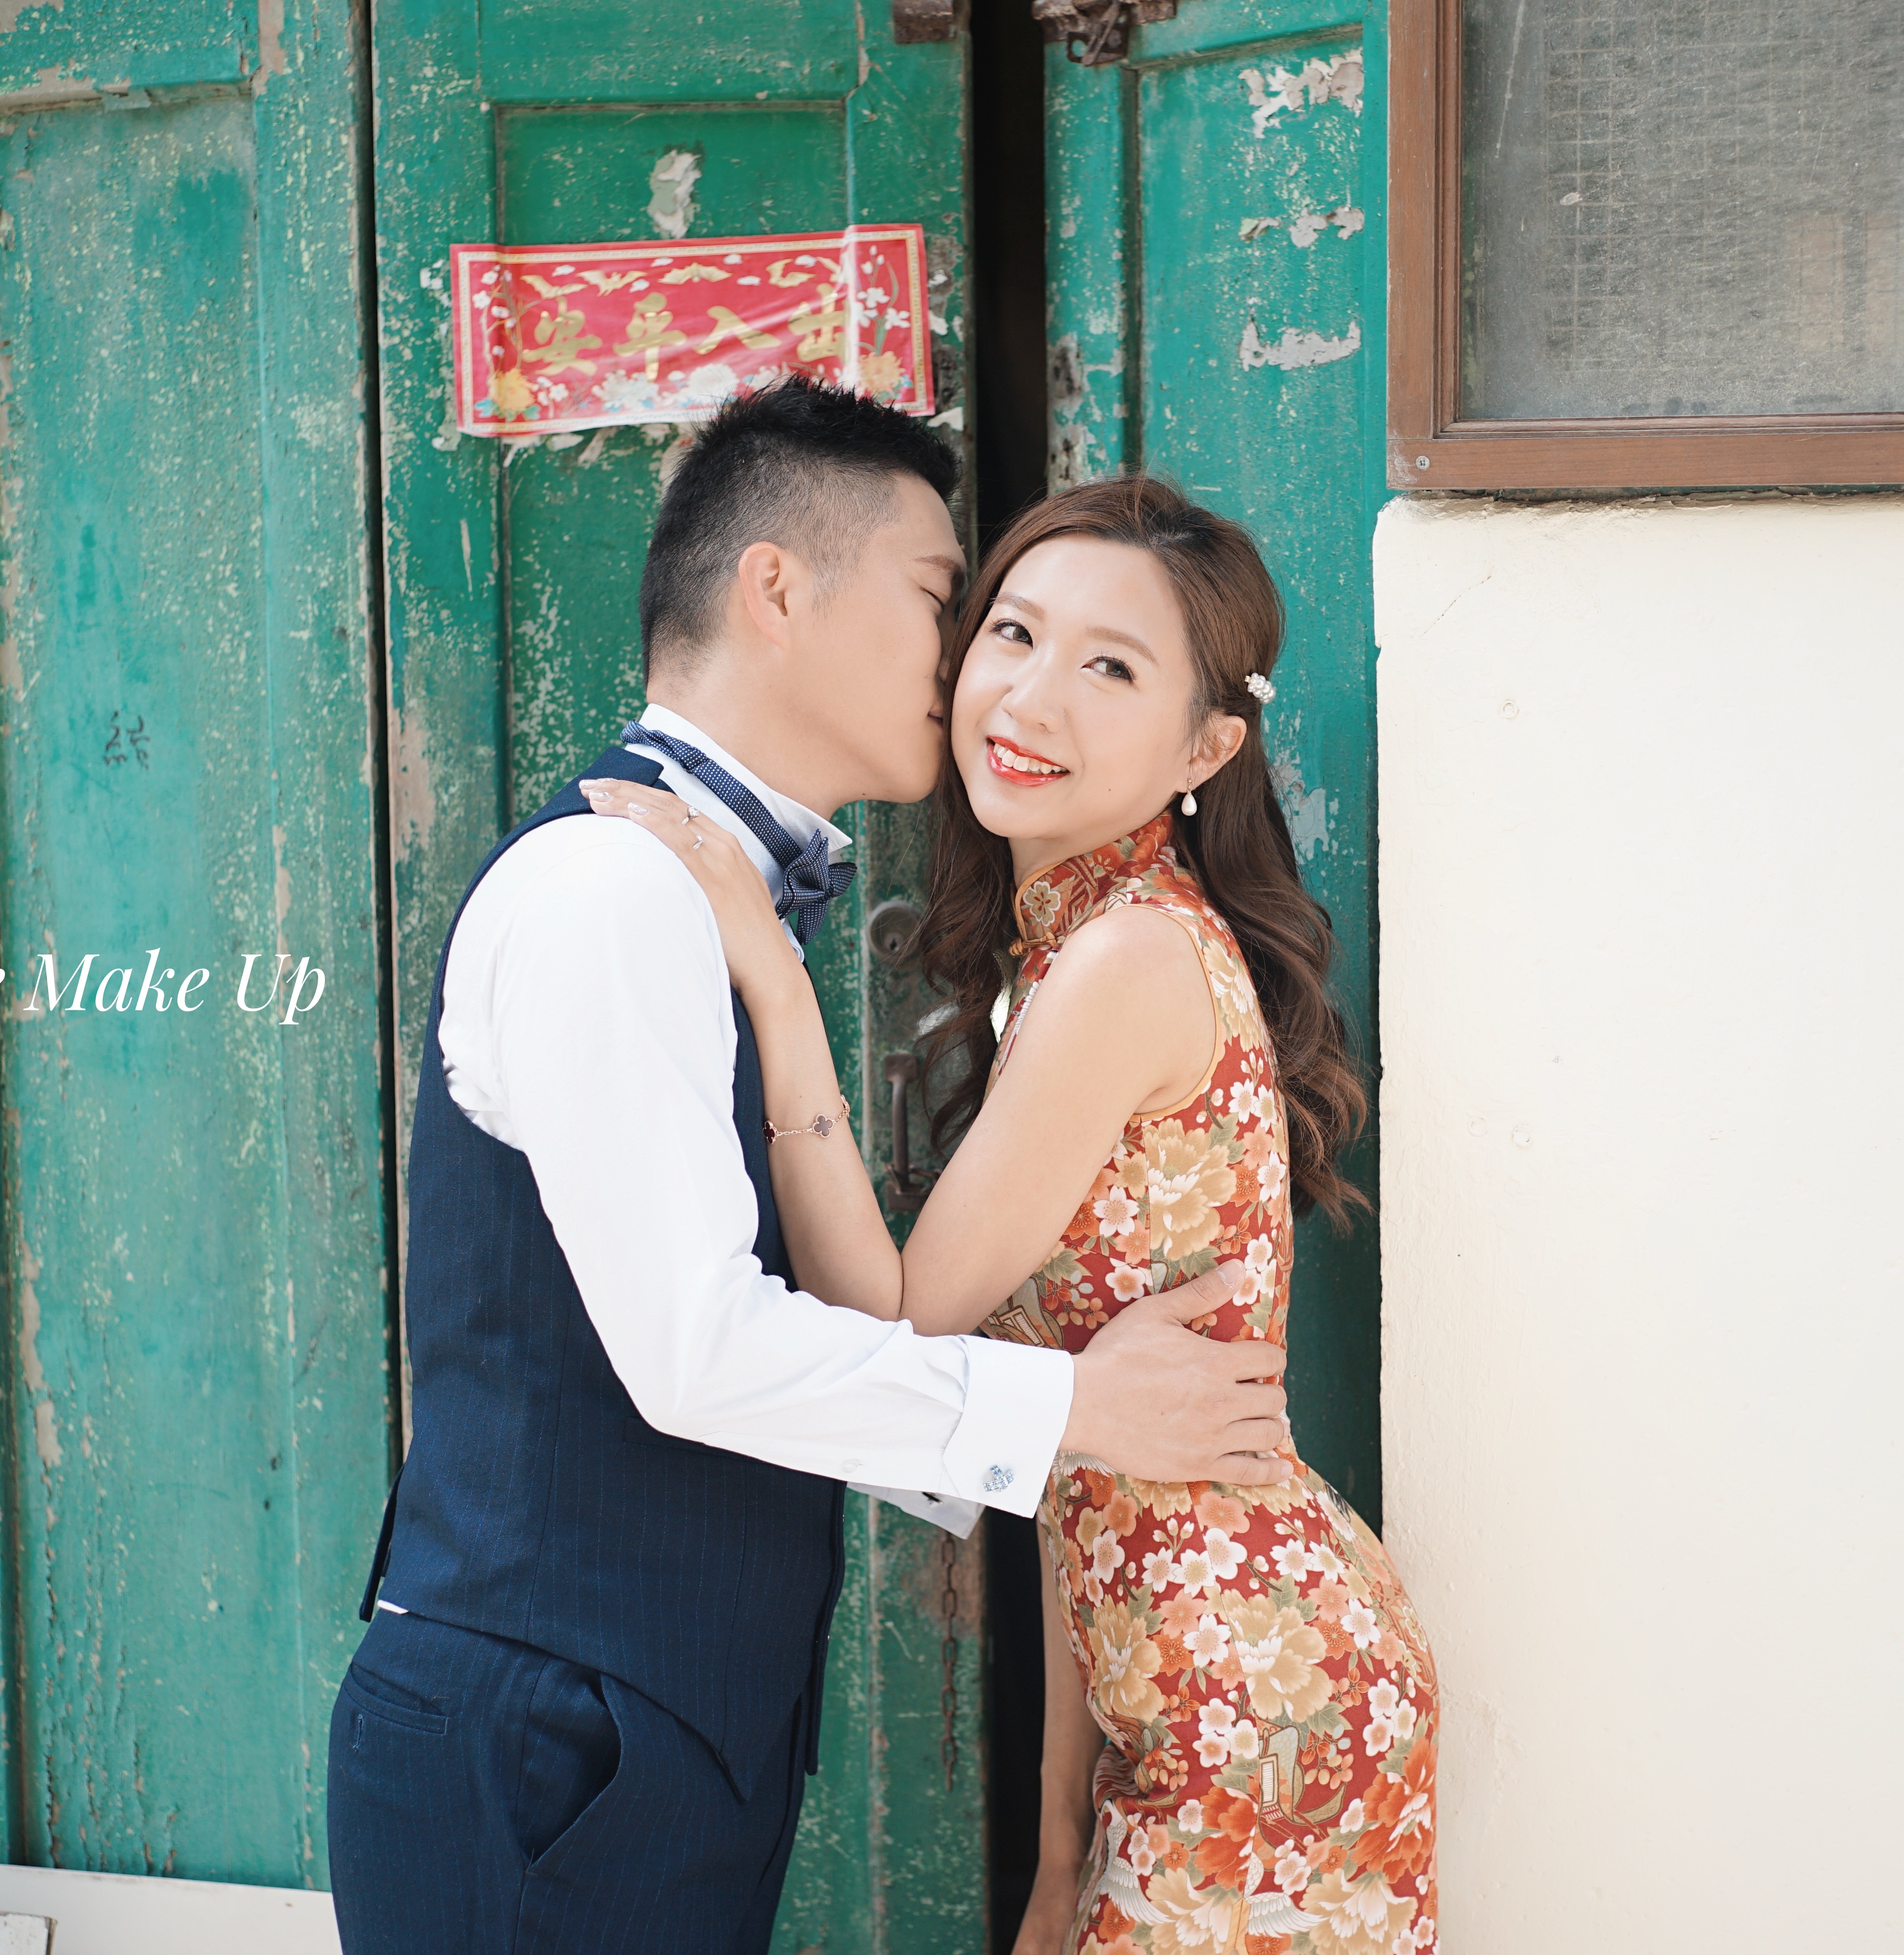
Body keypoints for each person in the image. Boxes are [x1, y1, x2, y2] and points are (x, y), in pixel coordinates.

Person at [325, 386, 1298, 1955]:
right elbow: (696, 1353)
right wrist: (1071, 1410)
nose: (968, 665)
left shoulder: (721, 903)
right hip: (549, 1740)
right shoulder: (611, 888)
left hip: (642, 1732)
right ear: (777, 591)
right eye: (946, 603)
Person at [584, 477, 1439, 1954]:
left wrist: (775, 983)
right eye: (1014, 634)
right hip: (1198, 1695)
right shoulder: (1079, 951)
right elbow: (1073, 1465)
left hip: (1260, 1713)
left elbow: (897, 1320)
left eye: (1111, 667)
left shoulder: (1127, 964)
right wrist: (1057, 1853)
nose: (1032, 698)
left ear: (1206, 747)